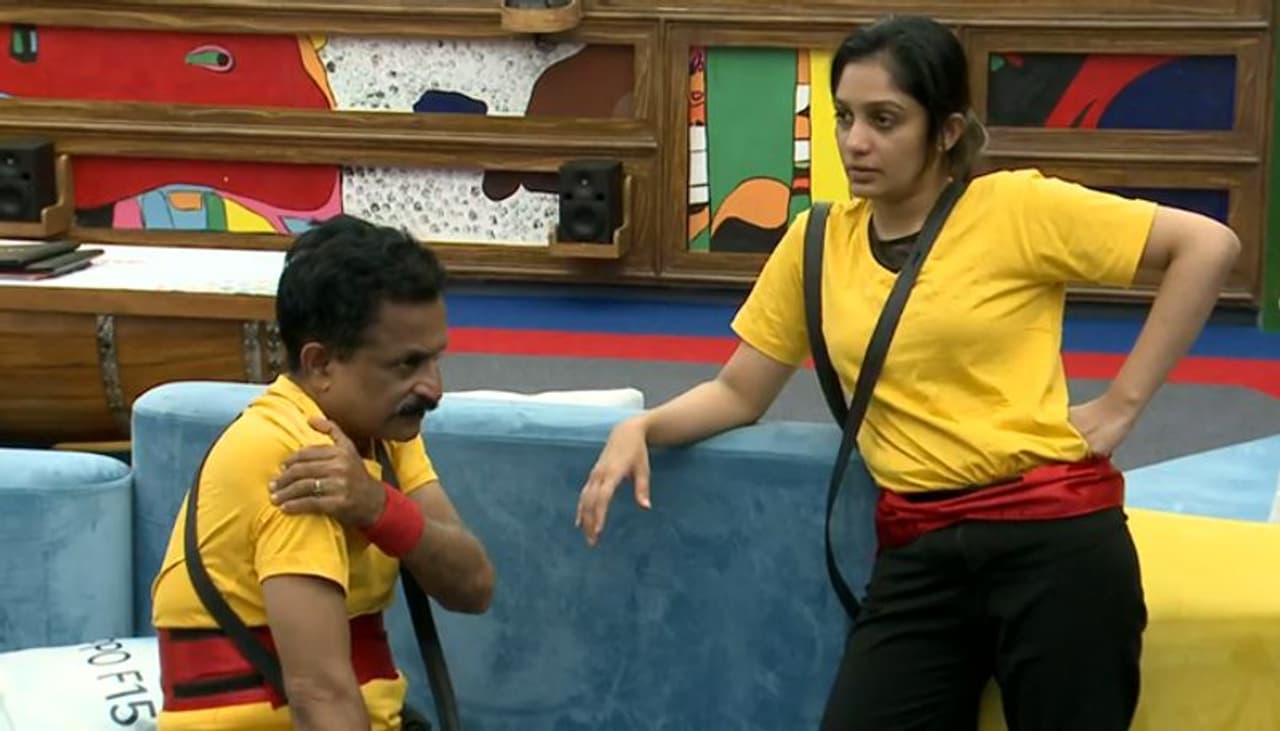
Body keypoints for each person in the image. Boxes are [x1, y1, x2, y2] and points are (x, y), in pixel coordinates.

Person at [575, 14, 1240, 731]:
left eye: (884, 120)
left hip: (1052, 542)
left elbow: (1207, 246)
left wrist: (1122, 403)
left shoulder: (1016, 207)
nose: (855, 141)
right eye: (844, 117)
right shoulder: (815, 241)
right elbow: (739, 391)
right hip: (920, 551)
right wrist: (641, 426)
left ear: (946, 130)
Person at [151, 214, 496, 730]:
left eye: (435, 360)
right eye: (407, 365)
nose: (434, 388)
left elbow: (473, 586)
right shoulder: (291, 456)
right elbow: (319, 696)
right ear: (320, 364)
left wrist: (380, 507)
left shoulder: (385, 434)